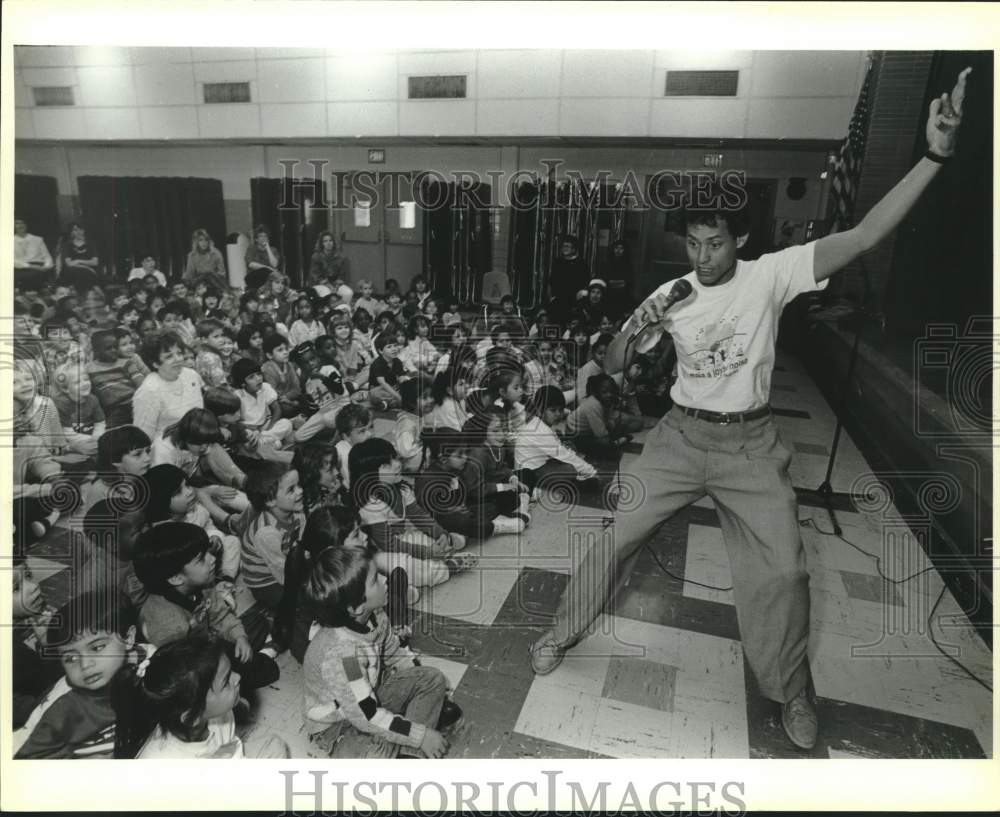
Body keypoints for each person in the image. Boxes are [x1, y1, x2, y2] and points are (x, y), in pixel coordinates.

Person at [529, 67, 973, 753]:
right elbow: (613, 366)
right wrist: (635, 324)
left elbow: (861, 237)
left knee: (785, 571)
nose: (702, 257)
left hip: (749, 445)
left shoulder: (773, 274)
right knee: (615, 536)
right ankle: (559, 632)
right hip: (679, 437)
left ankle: (791, 688)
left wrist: (936, 155)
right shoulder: (675, 289)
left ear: (739, 238)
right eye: (692, 244)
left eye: (715, 243)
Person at [303, 544, 461, 759]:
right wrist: (421, 735)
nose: (385, 581)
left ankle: (408, 753)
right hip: (338, 726)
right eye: (375, 580)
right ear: (356, 607)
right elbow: (365, 716)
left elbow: (394, 653)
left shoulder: (375, 613)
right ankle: (410, 738)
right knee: (376, 755)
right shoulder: (343, 654)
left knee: (432, 678)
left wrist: (419, 689)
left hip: (366, 700)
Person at [13, 592, 151, 759]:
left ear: (128, 638)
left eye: (97, 648)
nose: (85, 665)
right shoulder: (62, 706)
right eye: (71, 658)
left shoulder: (151, 659)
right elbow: (22, 759)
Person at [117, 636, 289, 759]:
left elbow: (229, 749)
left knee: (275, 745)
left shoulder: (216, 714)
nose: (238, 677)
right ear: (192, 718)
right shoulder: (162, 765)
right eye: (226, 681)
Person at [56, 222, 101, 291]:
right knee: (79, 275)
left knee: (87, 277)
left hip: (89, 273)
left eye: (80, 229)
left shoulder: (91, 244)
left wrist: (78, 261)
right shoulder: (67, 245)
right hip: (72, 272)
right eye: (75, 230)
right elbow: (69, 264)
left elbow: (95, 262)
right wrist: (87, 266)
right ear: (71, 232)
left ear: (84, 231)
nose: (79, 232)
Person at [14, 217, 54, 288]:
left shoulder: (37, 239)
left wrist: (46, 267)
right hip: (21, 268)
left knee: (40, 274)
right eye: (17, 223)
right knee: (29, 276)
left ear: (27, 225)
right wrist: (31, 266)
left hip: (39, 266)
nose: (20, 226)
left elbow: (47, 256)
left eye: (22, 223)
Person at [245, 225, 282, 290]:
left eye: (265, 236)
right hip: (254, 277)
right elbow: (251, 264)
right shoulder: (252, 248)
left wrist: (267, 248)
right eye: (260, 236)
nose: (263, 238)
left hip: (269, 277)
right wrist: (267, 268)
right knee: (265, 271)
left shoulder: (273, 249)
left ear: (268, 239)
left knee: (279, 278)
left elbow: (274, 264)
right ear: (256, 239)